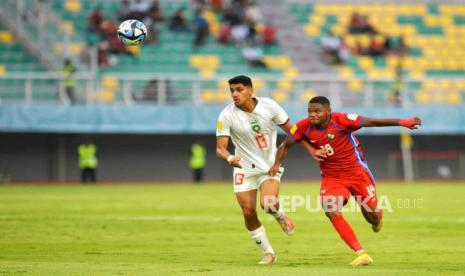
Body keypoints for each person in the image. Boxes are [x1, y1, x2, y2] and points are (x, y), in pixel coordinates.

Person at [270, 96, 422, 267]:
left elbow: (371, 122)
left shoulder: (341, 120)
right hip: (332, 176)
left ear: (329, 111)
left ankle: (377, 219)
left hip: (357, 173)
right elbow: (285, 145)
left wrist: (402, 122)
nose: (312, 115)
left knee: (371, 216)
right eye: (310, 111)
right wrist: (276, 163)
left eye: (317, 111)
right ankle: (361, 253)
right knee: (330, 209)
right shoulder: (304, 126)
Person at [216, 75, 298, 265]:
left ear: (251, 91)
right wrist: (229, 157)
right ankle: (268, 252)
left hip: (268, 165)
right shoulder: (226, 115)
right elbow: (220, 148)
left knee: (268, 204)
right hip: (243, 168)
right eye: (232, 91)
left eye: (239, 89)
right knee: (248, 211)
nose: (235, 94)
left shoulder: (269, 106)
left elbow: (293, 131)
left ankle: (280, 216)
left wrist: (306, 146)